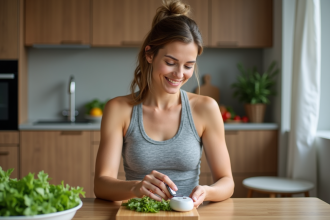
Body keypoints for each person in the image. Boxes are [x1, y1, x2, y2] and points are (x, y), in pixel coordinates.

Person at [94, 0, 234, 208]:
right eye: (170, 63)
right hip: (139, 214)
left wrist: (208, 191)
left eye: (188, 66)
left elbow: (227, 181)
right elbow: (101, 184)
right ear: (150, 54)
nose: (179, 74)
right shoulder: (119, 110)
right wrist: (134, 188)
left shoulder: (205, 108)